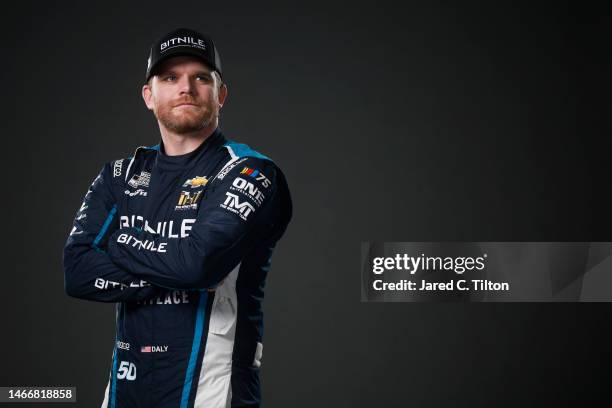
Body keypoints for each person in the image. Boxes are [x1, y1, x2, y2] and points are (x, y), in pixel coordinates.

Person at [63, 27, 292, 408]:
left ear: (220, 94)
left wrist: (120, 241)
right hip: (125, 390)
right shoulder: (120, 175)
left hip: (212, 392)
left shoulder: (250, 171)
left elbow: (196, 266)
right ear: (149, 96)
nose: (186, 88)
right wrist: (168, 272)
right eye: (170, 78)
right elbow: (77, 271)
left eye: (201, 77)